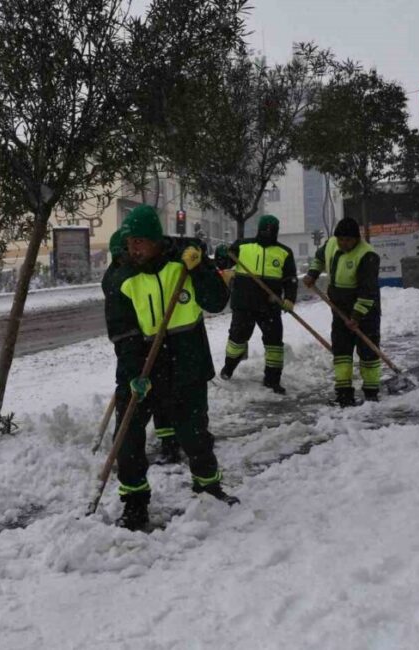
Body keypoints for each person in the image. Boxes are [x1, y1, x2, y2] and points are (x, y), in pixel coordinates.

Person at [108, 204, 238, 530]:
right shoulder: (122, 277)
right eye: (130, 243)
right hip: (143, 365)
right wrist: (134, 375)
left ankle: (208, 487)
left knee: (195, 434)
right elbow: (122, 333)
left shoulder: (184, 262)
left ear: (155, 239)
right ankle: (135, 504)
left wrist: (200, 269)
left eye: (140, 241)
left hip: (186, 362)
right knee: (128, 438)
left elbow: (216, 301)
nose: (133, 249)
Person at [102, 226, 180, 466]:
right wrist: (133, 367)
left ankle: (168, 442)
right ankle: (127, 456)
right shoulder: (117, 279)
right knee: (133, 404)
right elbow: (123, 329)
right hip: (133, 352)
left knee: (162, 399)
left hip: (156, 350)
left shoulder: (139, 272)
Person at [302, 217, 381, 407]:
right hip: (339, 308)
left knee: (368, 352)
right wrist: (312, 274)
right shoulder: (331, 244)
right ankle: (344, 394)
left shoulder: (367, 255)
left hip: (365, 310)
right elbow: (319, 258)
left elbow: (367, 291)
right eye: (341, 239)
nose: (343, 243)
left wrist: (356, 317)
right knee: (341, 352)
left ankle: (371, 394)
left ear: (356, 239)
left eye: (348, 240)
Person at [219, 215, 297, 394]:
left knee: (274, 344)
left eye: (272, 231)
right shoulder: (242, 245)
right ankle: (228, 367)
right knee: (237, 340)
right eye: (265, 230)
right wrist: (221, 254)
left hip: (270, 306)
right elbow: (223, 264)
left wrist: (290, 299)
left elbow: (290, 279)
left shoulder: (284, 252)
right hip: (244, 304)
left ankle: (272, 380)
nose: (268, 234)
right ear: (259, 230)